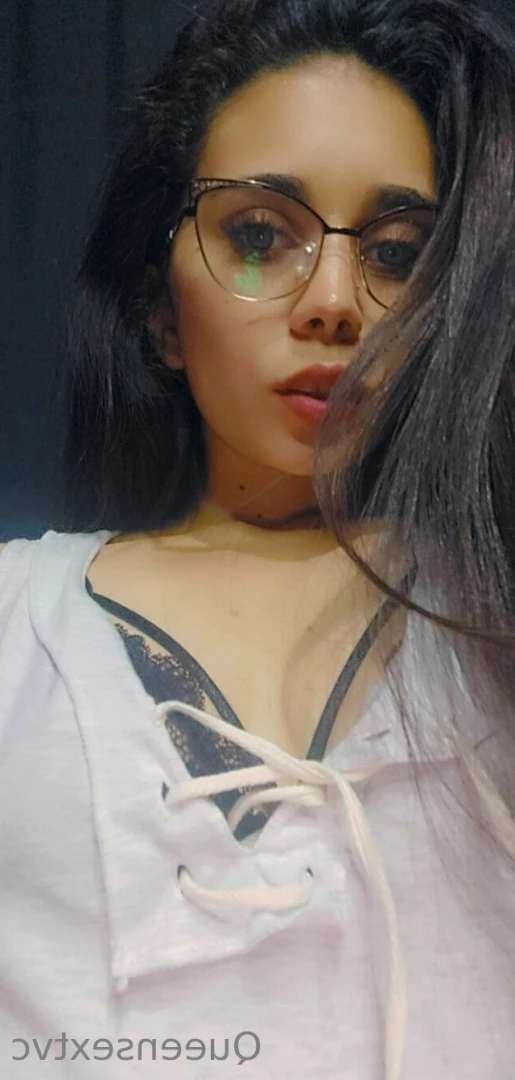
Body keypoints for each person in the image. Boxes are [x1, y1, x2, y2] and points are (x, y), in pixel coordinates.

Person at [2, 0, 515, 1075]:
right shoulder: (13, 629)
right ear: (158, 310)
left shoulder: (493, 623)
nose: (333, 302)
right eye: (257, 235)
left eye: (396, 252)